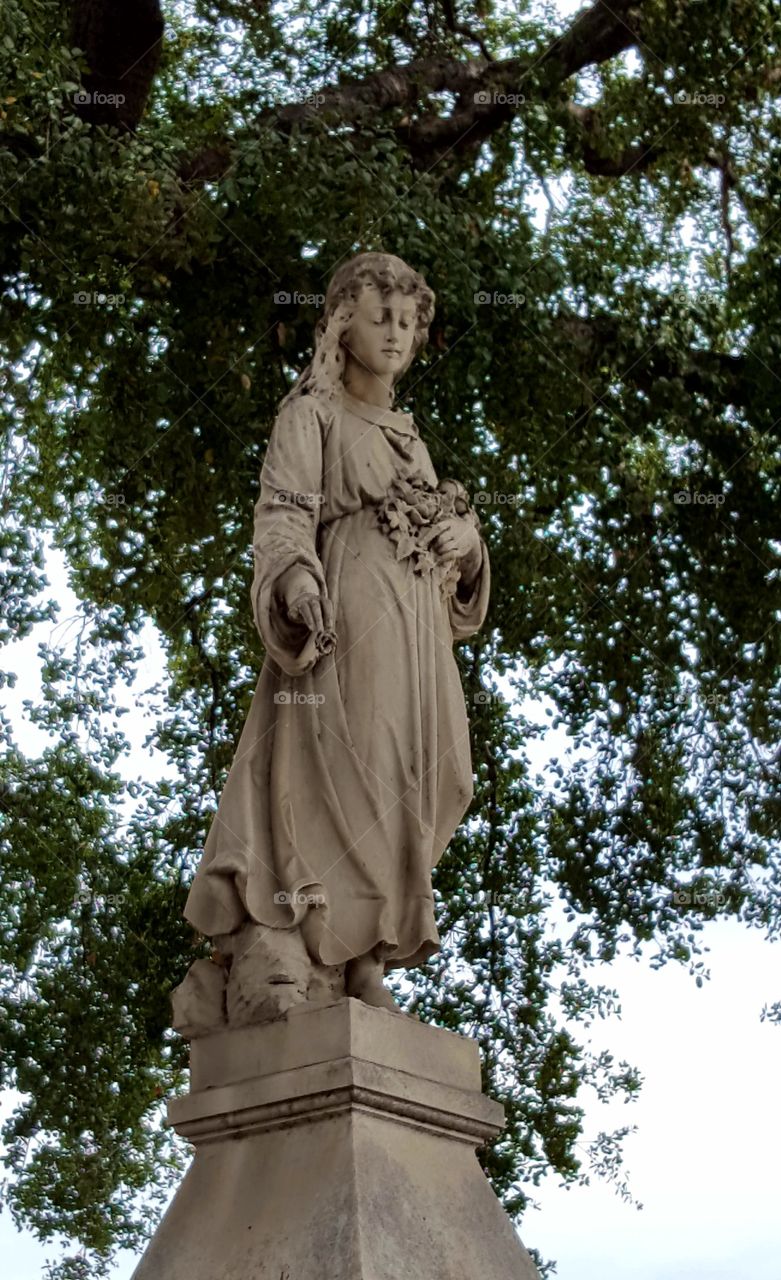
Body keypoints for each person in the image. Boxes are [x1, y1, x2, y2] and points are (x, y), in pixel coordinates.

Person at [184, 251, 490, 1013]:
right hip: (351, 612)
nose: (395, 333)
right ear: (341, 324)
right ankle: (314, 947)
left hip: (419, 627)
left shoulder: (410, 438)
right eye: (379, 316)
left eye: (407, 322)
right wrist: (294, 579)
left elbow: (449, 543)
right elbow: (283, 514)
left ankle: (369, 947)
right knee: (353, 768)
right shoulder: (311, 414)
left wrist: (469, 546)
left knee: (439, 774)